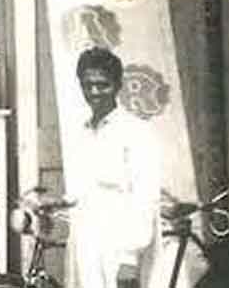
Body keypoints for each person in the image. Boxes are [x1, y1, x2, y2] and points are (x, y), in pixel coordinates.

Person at [64, 47, 161, 288]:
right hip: (85, 243)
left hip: (118, 247)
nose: (94, 92)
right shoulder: (80, 132)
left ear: (117, 86)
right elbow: (81, 192)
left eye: (102, 85)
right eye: (88, 85)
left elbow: (144, 197)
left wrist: (130, 259)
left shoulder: (136, 132)